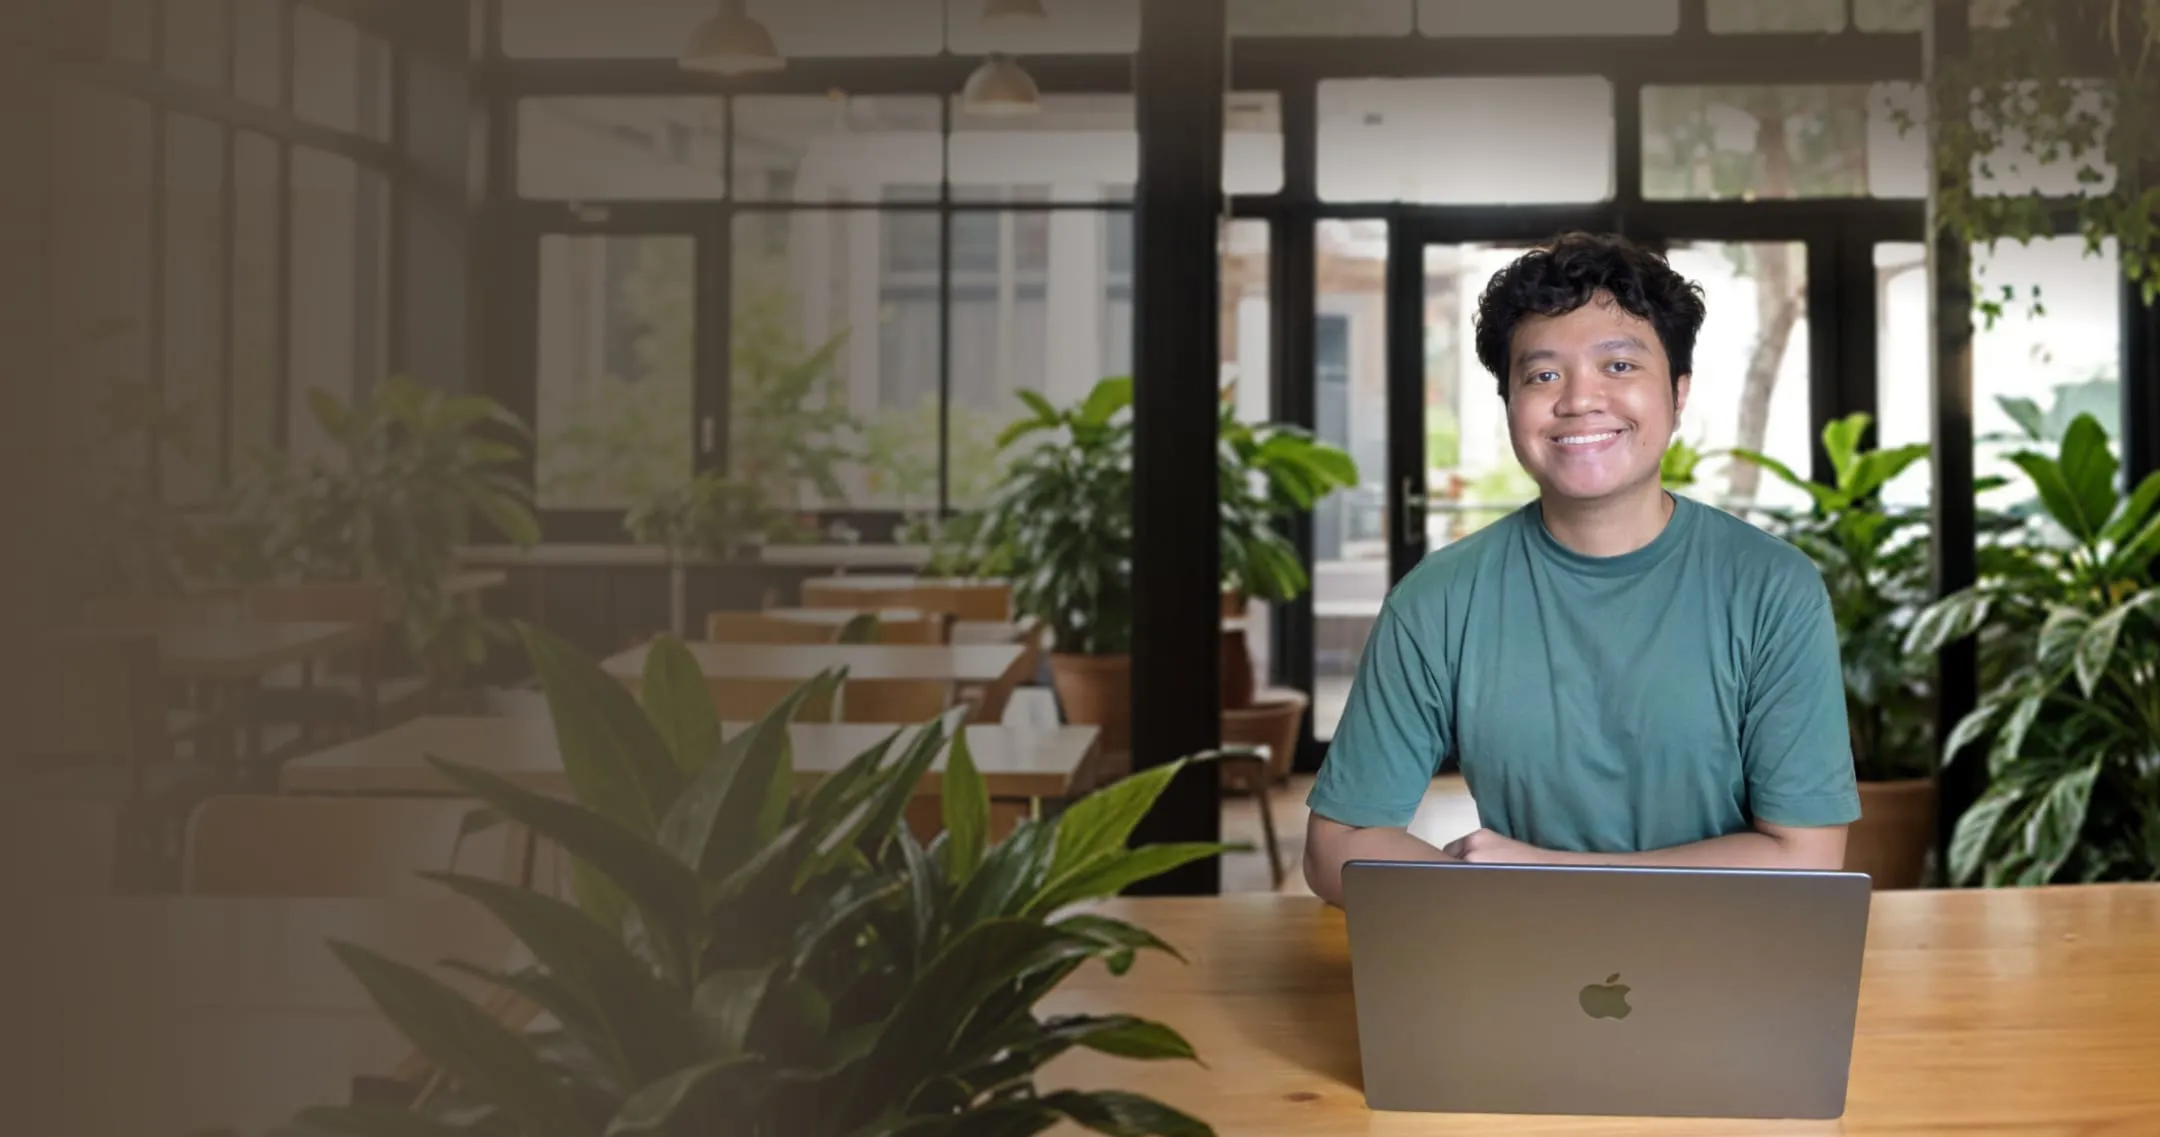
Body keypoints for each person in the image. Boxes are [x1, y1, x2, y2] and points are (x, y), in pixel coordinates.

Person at [1301, 231, 1859, 907]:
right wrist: (1482, 890)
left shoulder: (1773, 588)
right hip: (1518, 955)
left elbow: (1808, 854)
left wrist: (1549, 874)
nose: (1578, 399)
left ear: (1678, 394)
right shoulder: (1439, 600)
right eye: (1542, 374)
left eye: (1619, 367)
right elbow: (1338, 843)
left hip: (1728, 954)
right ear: (1510, 403)